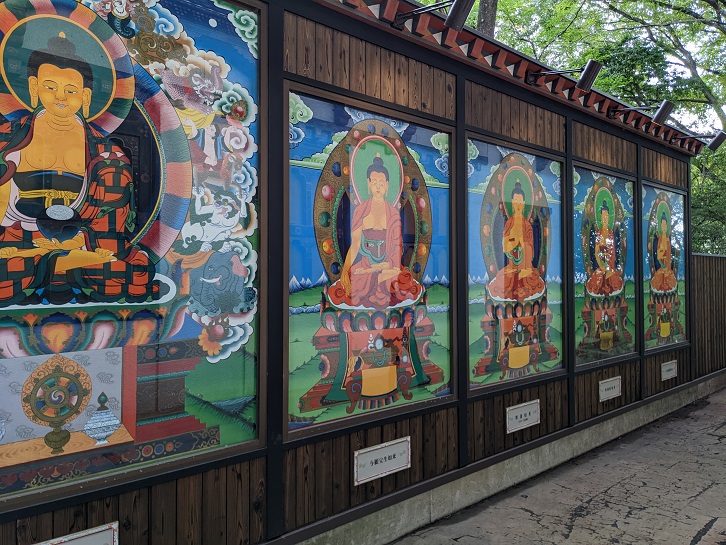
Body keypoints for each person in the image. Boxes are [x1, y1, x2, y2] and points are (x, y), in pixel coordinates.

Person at [0, 33, 159, 304]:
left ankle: (56, 263)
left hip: (84, 242)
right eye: (50, 86)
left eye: (71, 91)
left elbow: (110, 231)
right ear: (33, 86)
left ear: (86, 96)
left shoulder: (108, 156)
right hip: (19, 238)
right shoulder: (7, 140)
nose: (60, 96)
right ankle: (60, 263)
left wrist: (78, 242)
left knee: (135, 272)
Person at [328, 154, 421, 310]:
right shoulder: (361, 211)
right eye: (374, 182)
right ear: (368, 183)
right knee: (353, 280)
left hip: (387, 267)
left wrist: (377, 268)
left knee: (404, 279)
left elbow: (395, 252)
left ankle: (375, 283)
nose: (378, 187)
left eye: (382, 183)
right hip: (365, 265)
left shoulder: (393, 215)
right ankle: (376, 284)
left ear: (388, 186)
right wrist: (344, 271)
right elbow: (356, 244)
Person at [488, 181, 545, 301]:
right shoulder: (509, 223)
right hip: (512, 265)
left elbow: (530, 248)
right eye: (515, 201)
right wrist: (514, 242)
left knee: (529, 278)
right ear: (512, 203)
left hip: (525, 267)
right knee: (504, 278)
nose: (518, 204)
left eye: (520, 201)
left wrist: (522, 242)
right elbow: (505, 247)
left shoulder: (527, 225)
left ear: (524, 203)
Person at [586, 200, 624, 295]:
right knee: (597, 279)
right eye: (603, 216)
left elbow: (613, 253)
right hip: (601, 266)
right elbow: (596, 252)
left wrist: (609, 267)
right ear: (600, 217)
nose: (605, 218)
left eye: (606, 216)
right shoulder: (599, 234)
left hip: (610, 266)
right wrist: (602, 265)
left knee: (614, 279)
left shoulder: (611, 234)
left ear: (609, 218)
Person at [651, 212, 678, 292]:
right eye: (662, 226)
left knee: (670, 278)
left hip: (667, 265)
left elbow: (670, 254)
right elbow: (658, 255)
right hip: (661, 265)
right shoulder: (659, 239)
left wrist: (667, 265)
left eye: (665, 225)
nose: (664, 227)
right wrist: (662, 263)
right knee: (658, 277)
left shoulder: (667, 239)